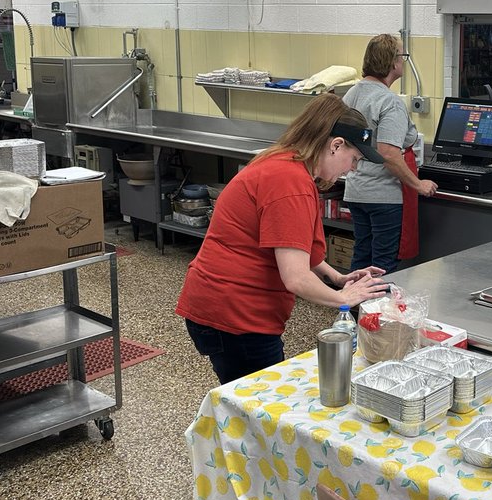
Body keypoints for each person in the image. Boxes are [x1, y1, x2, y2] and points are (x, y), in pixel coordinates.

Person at [177, 94, 390, 385]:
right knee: (258, 408)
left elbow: (292, 244)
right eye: (354, 159)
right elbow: (296, 277)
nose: (351, 169)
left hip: (222, 306)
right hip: (236, 315)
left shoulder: (283, 162)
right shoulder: (290, 183)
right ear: (335, 145)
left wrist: (336, 277)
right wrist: (342, 299)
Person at [343, 34, 439, 274]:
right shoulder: (389, 102)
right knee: (383, 266)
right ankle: (377, 312)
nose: (404, 61)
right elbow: (389, 154)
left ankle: (355, 310)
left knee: (362, 257)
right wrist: (418, 184)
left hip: (357, 190)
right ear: (393, 62)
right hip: (383, 196)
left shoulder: (352, 94)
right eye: (403, 56)